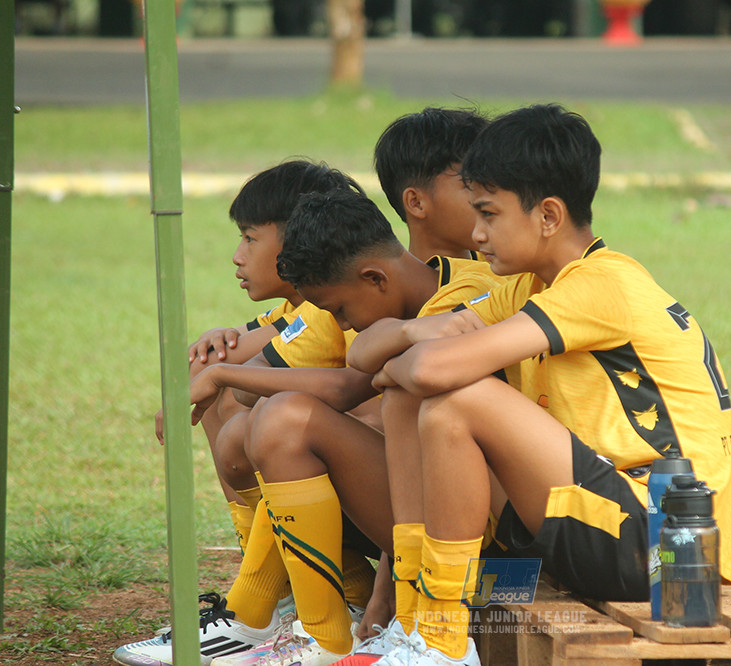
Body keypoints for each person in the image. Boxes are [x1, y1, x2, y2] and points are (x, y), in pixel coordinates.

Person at [356, 104, 731, 666]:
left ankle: (442, 641)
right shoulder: (527, 284)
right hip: (593, 524)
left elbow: (433, 371)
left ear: (549, 216)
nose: (477, 234)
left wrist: (424, 359)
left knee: (453, 404)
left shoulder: (602, 284)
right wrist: (415, 338)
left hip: (666, 552)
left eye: (488, 213)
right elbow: (370, 360)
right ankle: (418, 624)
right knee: (412, 401)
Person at [172, 189, 506, 666]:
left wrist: (221, 373)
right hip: (429, 519)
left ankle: (337, 632)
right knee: (281, 416)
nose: (340, 324)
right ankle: (322, 632)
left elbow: (351, 388)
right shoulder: (389, 292)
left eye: (340, 312)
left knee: (287, 419)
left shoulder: (462, 302)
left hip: (485, 539)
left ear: (374, 277)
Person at [115, 161, 380, 666]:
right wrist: (217, 356)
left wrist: (217, 374)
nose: (237, 257)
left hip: (389, 502)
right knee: (235, 394)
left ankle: (265, 606)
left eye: (250, 239)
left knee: (267, 414)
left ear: (301, 236)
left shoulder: (327, 306)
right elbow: (250, 350)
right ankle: (285, 596)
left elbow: (255, 376)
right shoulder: (307, 308)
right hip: (375, 494)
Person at [373, 107, 487, 262]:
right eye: (469, 184)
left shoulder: (514, 270)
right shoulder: (405, 286)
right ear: (416, 203)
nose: (491, 196)